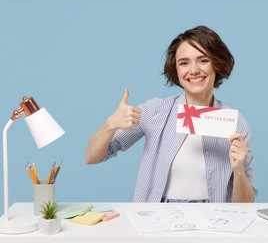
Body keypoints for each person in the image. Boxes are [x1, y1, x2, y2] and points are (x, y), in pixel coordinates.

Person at [85, 25, 257, 203]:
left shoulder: (235, 124)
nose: (194, 70)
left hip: (212, 219)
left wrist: (238, 170)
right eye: (184, 63)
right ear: (176, 70)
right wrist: (110, 124)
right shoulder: (155, 111)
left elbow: (244, 205)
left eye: (203, 60)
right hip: (157, 216)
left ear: (217, 64)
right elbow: (91, 157)